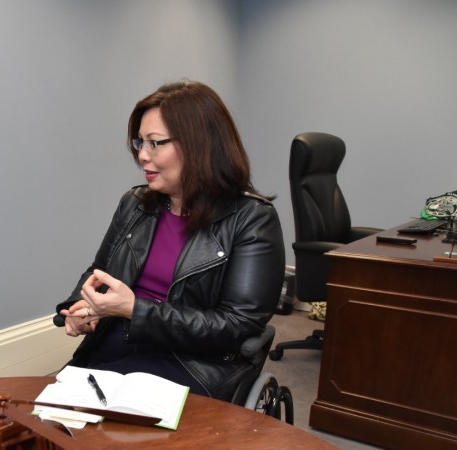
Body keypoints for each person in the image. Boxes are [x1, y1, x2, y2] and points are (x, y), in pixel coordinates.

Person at [56, 81, 285, 402]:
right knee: (52, 413)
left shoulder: (251, 219)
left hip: (194, 361)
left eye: (155, 143)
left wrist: (136, 310)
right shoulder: (134, 204)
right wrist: (80, 307)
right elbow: (101, 270)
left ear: (199, 145)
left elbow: (238, 326)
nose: (142, 156)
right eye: (139, 142)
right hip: (121, 338)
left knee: (100, 423)